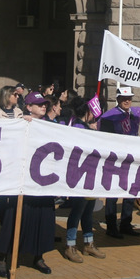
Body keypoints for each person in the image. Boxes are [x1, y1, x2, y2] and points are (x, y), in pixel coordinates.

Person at [0, 91, 55, 277]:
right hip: (22, 181)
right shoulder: (19, 124)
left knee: (43, 219)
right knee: (14, 219)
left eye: (45, 104)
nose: (43, 106)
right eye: (39, 104)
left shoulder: (52, 126)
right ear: (28, 107)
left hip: (43, 183)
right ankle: (3, 257)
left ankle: (38, 256)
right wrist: (22, 123)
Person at [61, 97, 106, 262]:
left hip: (90, 176)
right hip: (80, 177)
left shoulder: (84, 126)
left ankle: (88, 243)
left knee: (88, 212)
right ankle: (70, 245)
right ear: (87, 112)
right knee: (78, 211)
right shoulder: (78, 127)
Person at [99, 86, 140, 238]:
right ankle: (111, 226)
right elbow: (104, 139)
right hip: (115, 160)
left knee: (130, 192)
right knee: (112, 193)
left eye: (129, 98)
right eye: (124, 98)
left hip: (131, 158)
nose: (127, 101)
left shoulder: (135, 114)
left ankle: (126, 223)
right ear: (117, 99)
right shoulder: (109, 116)